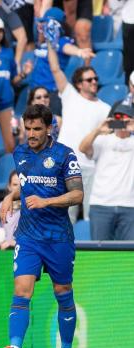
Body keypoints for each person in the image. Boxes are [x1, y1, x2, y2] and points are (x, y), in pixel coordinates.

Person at [0, 104, 83, 348]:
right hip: (28, 236)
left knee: (62, 292)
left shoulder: (65, 155)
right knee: (21, 291)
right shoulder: (19, 152)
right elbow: (27, 184)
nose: (30, 134)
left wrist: (47, 202)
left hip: (57, 237)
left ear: (49, 128)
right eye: (27, 128)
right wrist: (10, 196)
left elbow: (77, 195)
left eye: (36, 129)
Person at [48, 33, 110, 221]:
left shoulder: (105, 108)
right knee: (66, 218)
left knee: (92, 217)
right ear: (79, 84)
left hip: (90, 167)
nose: (94, 82)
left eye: (95, 79)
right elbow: (55, 68)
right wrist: (51, 44)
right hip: (66, 166)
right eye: (89, 79)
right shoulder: (70, 95)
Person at [78, 106, 134, 240]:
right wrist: (98, 130)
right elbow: (82, 148)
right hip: (101, 205)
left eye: (126, 119)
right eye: (118, 118)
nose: (121, 122)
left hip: (129, 206)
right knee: (100, 253)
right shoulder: (103, 140)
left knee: (129, 256)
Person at [28, 7, 93, 114]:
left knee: (52, 126)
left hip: (51, 92)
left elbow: (67, 47)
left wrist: (79, 52)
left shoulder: (62, 41)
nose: (42, 27)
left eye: (46, 24)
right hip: (35, 91)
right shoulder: (41, 43)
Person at [0, 16, 23, 157]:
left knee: (11, 144)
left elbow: (13, 80)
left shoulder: (8, 53)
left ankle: (12, 177)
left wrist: (23, 74)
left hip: (6, 103)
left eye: (0, 31)